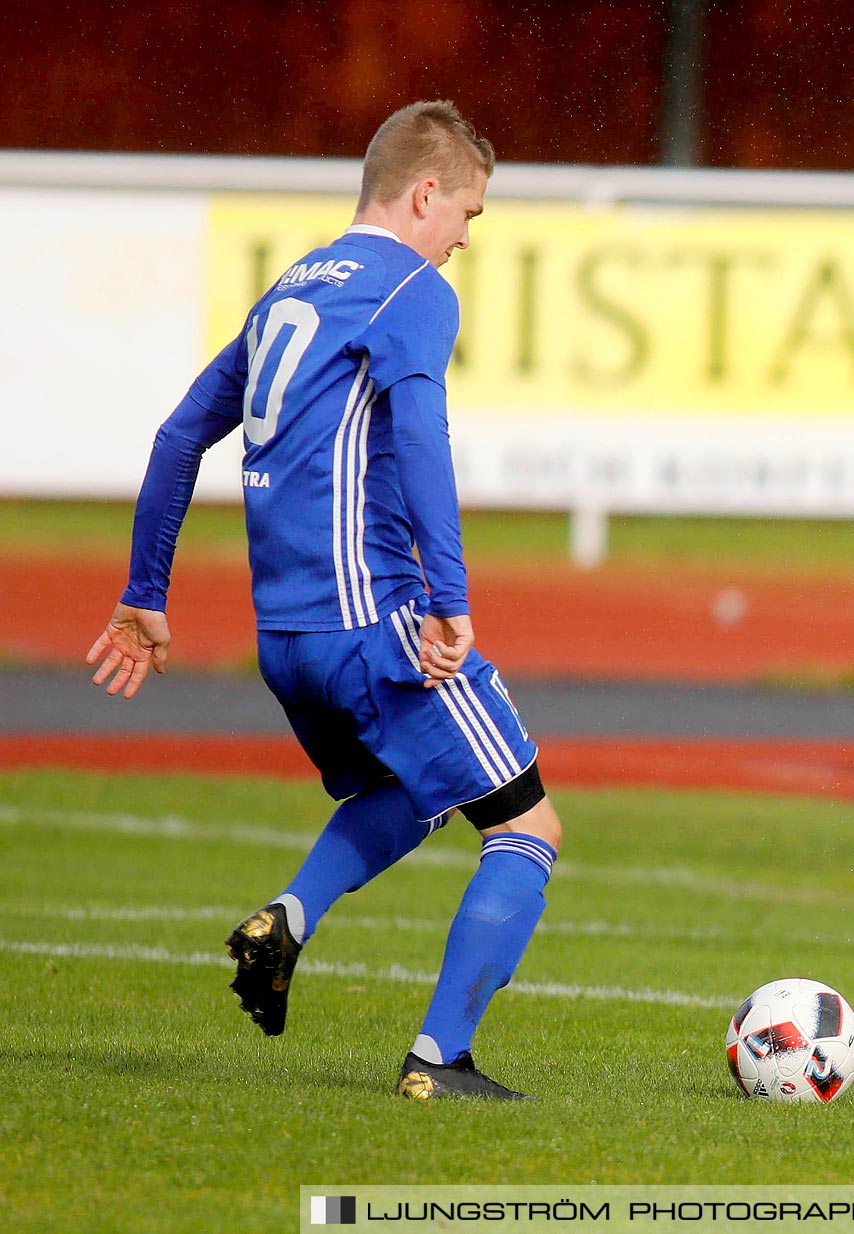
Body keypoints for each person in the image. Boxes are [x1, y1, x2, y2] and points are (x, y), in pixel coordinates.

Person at [85, 100, 560, 1101]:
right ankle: (441, 1060)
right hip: (377, 625)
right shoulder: (411, 289)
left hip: (288, 642)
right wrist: (449, 596)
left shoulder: (290, 290)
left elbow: (179, 437)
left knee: (414, 793)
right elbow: (422, 434)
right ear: (424, 192)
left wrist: (144, 593)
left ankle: (287, 919)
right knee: (528, 827)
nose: (467, 238)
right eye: (468, 213)